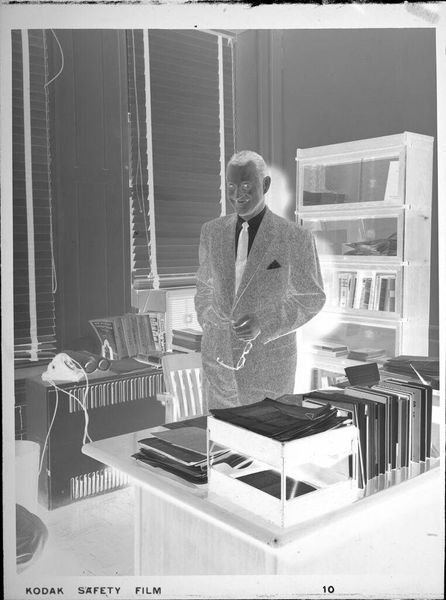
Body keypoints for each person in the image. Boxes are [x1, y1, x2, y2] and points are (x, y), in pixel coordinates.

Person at [195, 150, 326, 410]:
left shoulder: (294, 237)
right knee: (220, 434)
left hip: (269, 372)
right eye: (231, 186)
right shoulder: (211, 232)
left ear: (265, 185)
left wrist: (263, 323)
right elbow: (204, 286)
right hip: (218, 367)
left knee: (262, 434)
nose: (237, 194)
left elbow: (311, 297)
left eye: (246, 186)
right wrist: (209, 322)